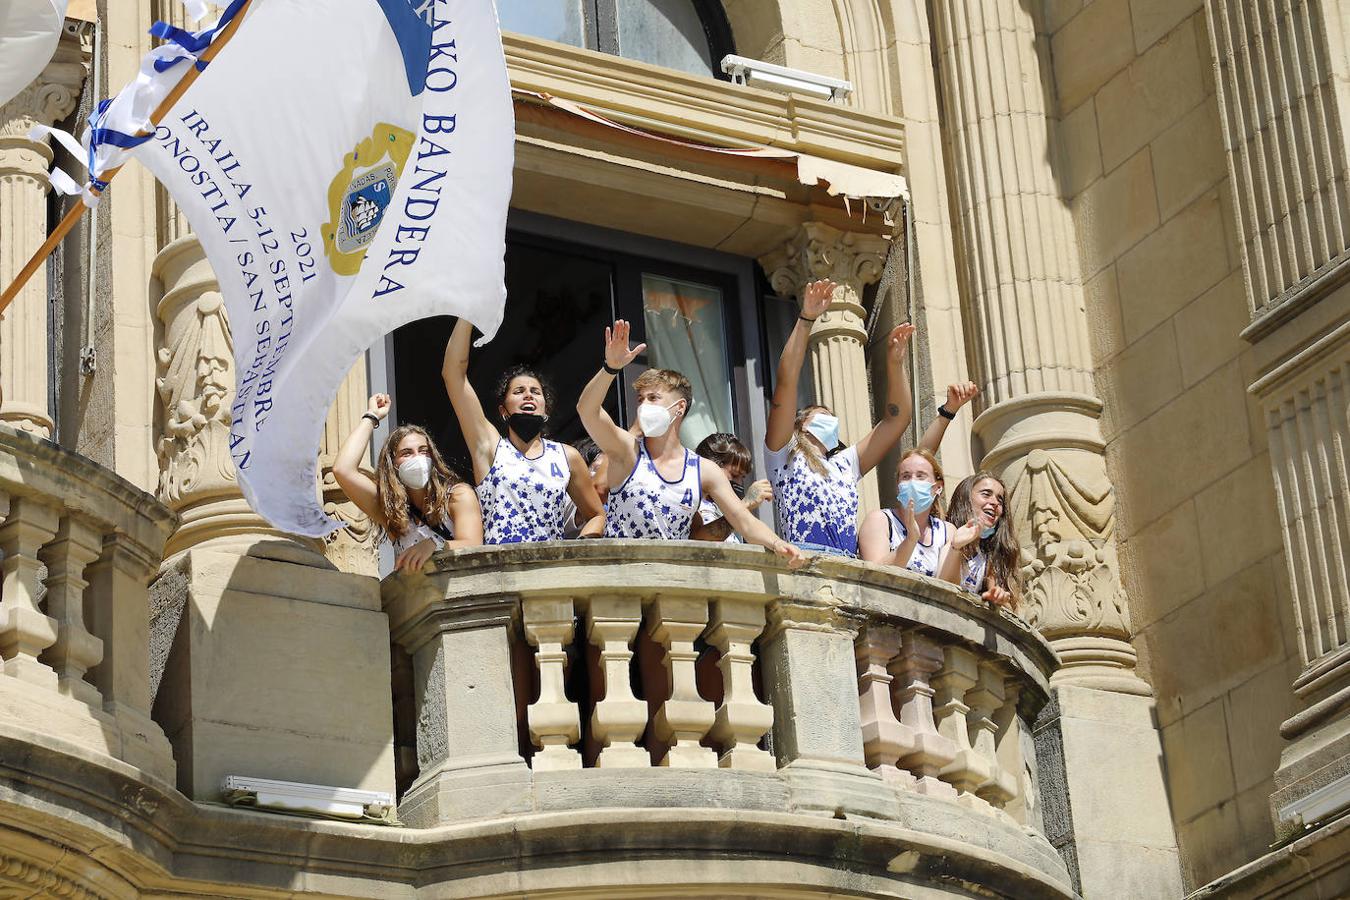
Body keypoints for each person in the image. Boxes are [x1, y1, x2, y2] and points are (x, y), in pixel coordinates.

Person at [577, 319, 805, 568]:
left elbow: (742, 520)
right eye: (641, 399)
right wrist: (610, 368)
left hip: (675, 585)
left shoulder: (703, 469)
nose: (644, 406)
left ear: (680, 407)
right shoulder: (627, 451)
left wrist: (776, 543)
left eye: (654, 397)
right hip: (623, 581)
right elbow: (587, 410)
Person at [765, 278, 917, 556]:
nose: (830, 421)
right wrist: (806, 319)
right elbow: (786, 381)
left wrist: (895, 364)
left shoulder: (845, 465)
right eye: (821, 416)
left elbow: (897, 419)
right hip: (802, 561)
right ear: (800, 424)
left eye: (832, 418)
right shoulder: (783, 454)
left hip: (847, 565)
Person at [443, 318, 605, 543]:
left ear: (545, 409)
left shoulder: (567, 457)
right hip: (501, 573)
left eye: (535, 392)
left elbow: (596, 515)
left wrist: (585, 543)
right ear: (503, 410)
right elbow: (453, 374)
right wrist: (468, 313)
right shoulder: (490, 448)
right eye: (518, 391)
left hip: (550, 574)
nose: (528, 395)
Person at [332, 393, 483, 572]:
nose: (418, 458)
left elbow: (473, 544)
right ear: (392, 463)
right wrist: (372, 416)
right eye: (407, 453)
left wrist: (435, 544)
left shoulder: (457, 495)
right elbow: (342, 469)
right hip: (416, 597)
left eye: (423, 450)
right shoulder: (389, 510)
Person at [858, 448, 952, 576]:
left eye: (920, 476)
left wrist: (957, 549)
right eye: (906, 476)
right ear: (898, 486)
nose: (912, 482)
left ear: (938, 487)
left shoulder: (946, 532)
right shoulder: (879, 520)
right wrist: (910, 540)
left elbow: (948, 586)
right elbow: (875, 577)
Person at [939, 473, 1020, 608]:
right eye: (986, 494)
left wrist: (1000, 598)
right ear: (966, 499)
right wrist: (956, 547)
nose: (995, 503)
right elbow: (943, 588)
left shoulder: (986, 559)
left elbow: (1002, 601)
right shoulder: (944, 532)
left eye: (1000, 500)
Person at [692, 432, 773, 543]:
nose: (738, 483)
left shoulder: (717, 507)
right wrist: (746, 503)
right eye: (734, 475)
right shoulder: (692, 503)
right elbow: (700, 540)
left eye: (742, 478)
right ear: (712, 467)